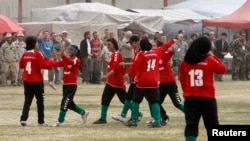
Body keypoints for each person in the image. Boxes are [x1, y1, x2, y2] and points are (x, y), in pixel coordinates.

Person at [179, 37, 226, 141]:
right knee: (212, 126)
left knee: (191, 126)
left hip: (190, 98)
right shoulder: (209, 60)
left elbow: (182, 79)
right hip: (207, 98)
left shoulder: (185, 62)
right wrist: (213, 56)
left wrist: (185, 92)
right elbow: (222, 69)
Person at [124, 38, 175, 128]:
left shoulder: (141, 54)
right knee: (154, 101)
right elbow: (165, 46)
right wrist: (173, 40)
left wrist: (128, 74)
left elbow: (134, 65)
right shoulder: (157, 51)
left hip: (142, 81)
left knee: (136, 100)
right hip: (154, 81)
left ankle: (134, 120)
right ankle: (157, 120)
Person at [19, 36, 56, 126]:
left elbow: (21, 65)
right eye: (37, 42)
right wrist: (52, 61)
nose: (38, 44)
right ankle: (41, 121)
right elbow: (44, 64)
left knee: (27, 100)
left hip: (27, 80)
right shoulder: (37, 53)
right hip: (37, 80)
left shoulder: (25, 54)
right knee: (40, 101)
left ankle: (23, 119)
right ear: (34, 44)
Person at [53, 45, 89, 126]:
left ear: (75, 52)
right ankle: (83, 112)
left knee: (65, 102)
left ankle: (60, 121)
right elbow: (57, 63)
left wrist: (63, 56)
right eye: (69, 49)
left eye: (71, 50)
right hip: (65, 84)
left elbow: (70, 62)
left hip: (72, 85)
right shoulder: (66, 59)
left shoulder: (77, 60)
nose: (69, 51)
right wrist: (46, 63)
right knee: (69, 103)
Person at [93, 38, 126, 124]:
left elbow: (115, 69)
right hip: (111, 82)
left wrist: (105, 76)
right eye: (107, 45)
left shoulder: (116, 55)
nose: (108, 46)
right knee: (105, 99)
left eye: (109, 45)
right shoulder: (113, 54)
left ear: (114, 45)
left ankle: (137, 113)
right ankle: (103, 118)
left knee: (124, 100)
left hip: (117, 82)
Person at [111, 35, 143, 122]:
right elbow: (135, 63)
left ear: (136, 42)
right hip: (135, 78)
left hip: (138, 78)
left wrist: (126, 66)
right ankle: (125, 115)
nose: (131, 45)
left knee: (136, 98)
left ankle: (136, 116)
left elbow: (137, 64)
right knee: (129, 97)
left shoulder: (140, 50)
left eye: (131, 43)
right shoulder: (136, 50)